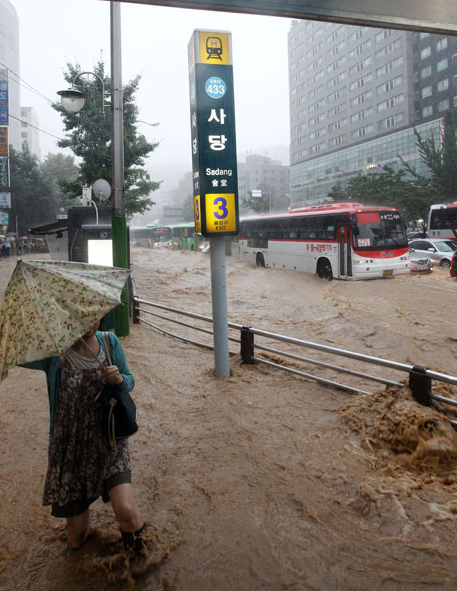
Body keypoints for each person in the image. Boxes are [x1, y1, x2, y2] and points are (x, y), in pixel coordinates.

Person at [22, 320, 150, 564]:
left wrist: (120, 380)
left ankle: (140, 565)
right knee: (77, 537)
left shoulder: (109, 342)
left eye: (95, 317)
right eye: (81, 319)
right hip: (71, 449)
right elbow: (18, 353)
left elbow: (130, 381)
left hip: (109, 441)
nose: (90, 324)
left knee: (127, 512)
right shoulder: (54, 352)